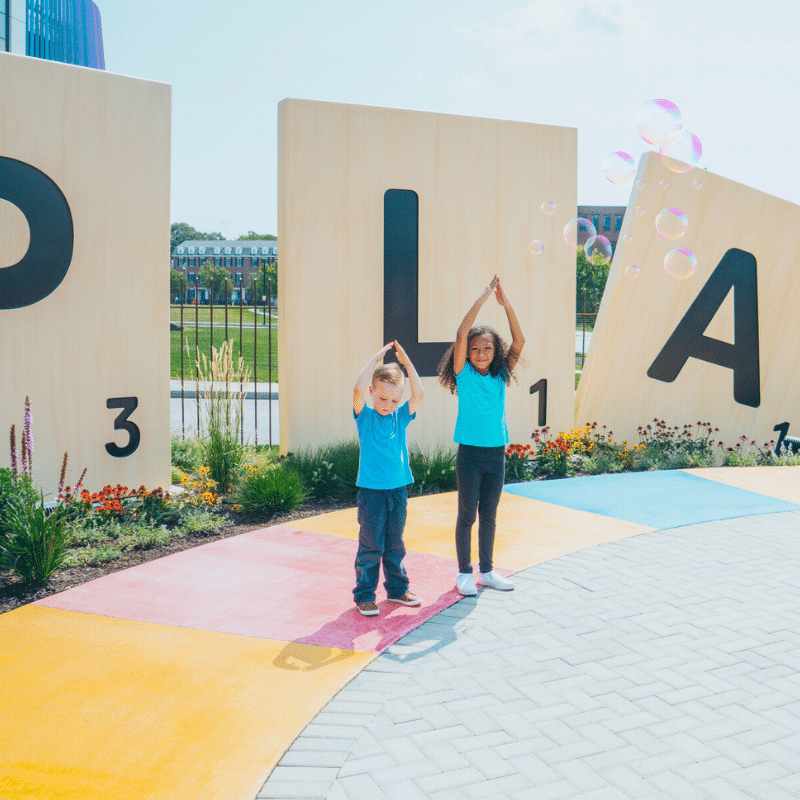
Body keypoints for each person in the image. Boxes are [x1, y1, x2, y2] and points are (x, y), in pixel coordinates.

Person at [438, 274, 525, 596]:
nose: (480, 353)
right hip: (470, 454)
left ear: (495, 351)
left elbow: (519, 341)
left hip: (496, 453)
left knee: (489, 514)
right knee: (466, 514)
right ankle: (464, 574)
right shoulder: (463, 374)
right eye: (475, 349)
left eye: (487, 348)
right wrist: (485, 297)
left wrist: (506, 304)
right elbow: (462, 333)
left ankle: (487, 571)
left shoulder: (501, 374)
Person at [352, 340, 424, 616]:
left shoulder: (400, 417)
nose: (387, 404)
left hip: (398, 491)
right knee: (371, 546)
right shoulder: (365, 417)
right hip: (371, 493)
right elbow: (357, 389)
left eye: (394, 400)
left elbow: (419, 393)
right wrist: (377, 357)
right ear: (373, 393)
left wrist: (407, 364)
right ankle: (365, 596)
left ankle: (396, 591)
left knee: (395, 544)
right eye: (382, 398)